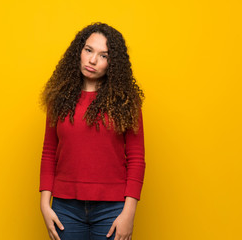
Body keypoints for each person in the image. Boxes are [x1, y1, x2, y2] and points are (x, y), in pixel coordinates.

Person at [39, 22, 145, 240]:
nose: (93, 60)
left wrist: (129, 212)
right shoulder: (59, 98)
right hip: (65, 208)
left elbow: (136, 158)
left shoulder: (126, 101)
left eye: (103, 55)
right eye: (88, 50)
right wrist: (44, 203)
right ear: (79, 51)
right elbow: (49, 152)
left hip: (112, 210)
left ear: (112, 63)